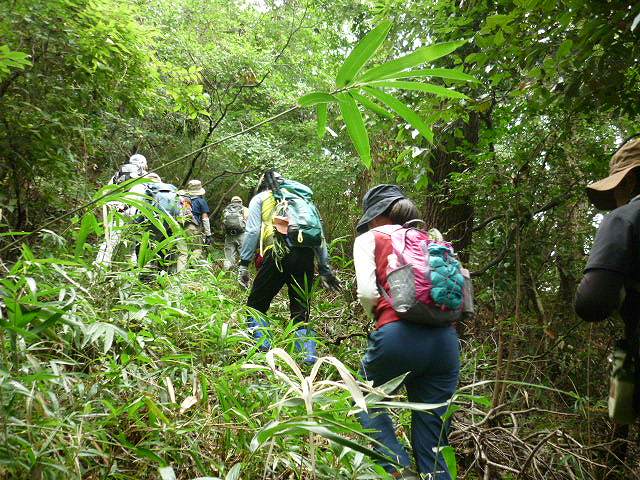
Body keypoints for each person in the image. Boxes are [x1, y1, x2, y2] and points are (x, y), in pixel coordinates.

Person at [353, 184, 460, 480]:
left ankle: (398, 470)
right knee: (435, 442)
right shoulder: (433, 239)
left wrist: (378, 317)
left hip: (397, 336)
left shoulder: (370, 238)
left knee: (363, 399)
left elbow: (366, 291)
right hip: (446, 344)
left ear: (376, 217)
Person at [237, 170, 340, 363]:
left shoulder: (261, 198)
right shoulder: (304, 200)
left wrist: (243, 264)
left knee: (256, 306)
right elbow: (320, 237)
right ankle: (307, 359)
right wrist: (324, 268)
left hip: (276, 253)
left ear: (263, 185)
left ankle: (263, 355)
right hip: (305, 255)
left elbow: (252, 231)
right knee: (301, 312)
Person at [575, 137, 640, 424]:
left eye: (617, 187)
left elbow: (592, 302)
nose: (615, 198)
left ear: (631, 180)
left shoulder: (625, 218)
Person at [96, 153, 149, 267]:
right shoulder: (145, 176)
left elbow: (107, 192)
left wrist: (112, 205)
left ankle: (100, 267)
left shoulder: (118, 174)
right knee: (132, 246)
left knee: (109, 242)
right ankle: (132, 274)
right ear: (143, 164)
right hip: (137, 214)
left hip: (119, 212)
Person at [179, 179, 212, 262]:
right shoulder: (201, 201)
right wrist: (208, 234)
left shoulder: (182, 200)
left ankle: (180, 273)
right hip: (193, 228)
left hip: (180, 227)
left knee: (182, 253)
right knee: (197, 249)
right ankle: (192, 267)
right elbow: (205, 219)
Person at [222, 196, 249, 270]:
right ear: (241, 202)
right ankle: (242, 274)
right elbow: (249, 222)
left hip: (229, 235)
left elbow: (222, 223)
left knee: (228, 256)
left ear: (231, 202)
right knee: (243, 255)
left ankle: (227, 274)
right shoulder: (245, 209)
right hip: (242, 235)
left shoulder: (226, 210)